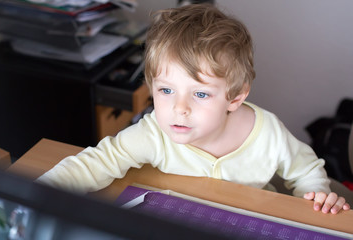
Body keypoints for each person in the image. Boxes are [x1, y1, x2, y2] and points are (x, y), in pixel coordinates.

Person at [37, 3, 350, 214]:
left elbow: (307, 172)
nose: (179, 108)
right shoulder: (155, 133)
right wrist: (36, 194)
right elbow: (95, 163)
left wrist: (317, 196)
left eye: (200, 94)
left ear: (235, 97)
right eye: (166, 90)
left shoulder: (268, 133)